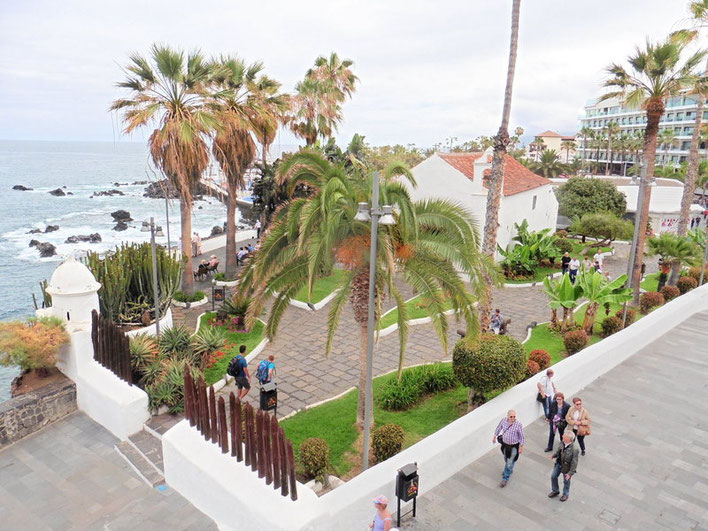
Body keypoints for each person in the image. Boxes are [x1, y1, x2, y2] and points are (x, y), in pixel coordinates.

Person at [492, 410, 525, 487]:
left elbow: (521, 436)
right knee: (506, 459)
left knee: (509, 462)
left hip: (514, 446)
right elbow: (498, 428)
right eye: (511, 416)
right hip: (505, 445)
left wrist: (521, 446)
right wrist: (494, 436)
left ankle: (505, 478)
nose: (513, 418)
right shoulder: (503, 421)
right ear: (508, 416)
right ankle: (509, 469)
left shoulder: (518, 424)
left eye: (514, 416)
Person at [548, 431, 579, 502]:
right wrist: (553, 456)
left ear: (569, 439)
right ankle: (555, 490)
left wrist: (570, 473)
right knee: (553, 476)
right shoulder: (562, 443)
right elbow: (558, 452)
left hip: (567, 468)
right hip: (559, 464)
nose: (562, 436)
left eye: (564, 436)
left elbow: (574, 463)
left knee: (566, 482)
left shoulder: (574, 449)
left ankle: (565, 494)